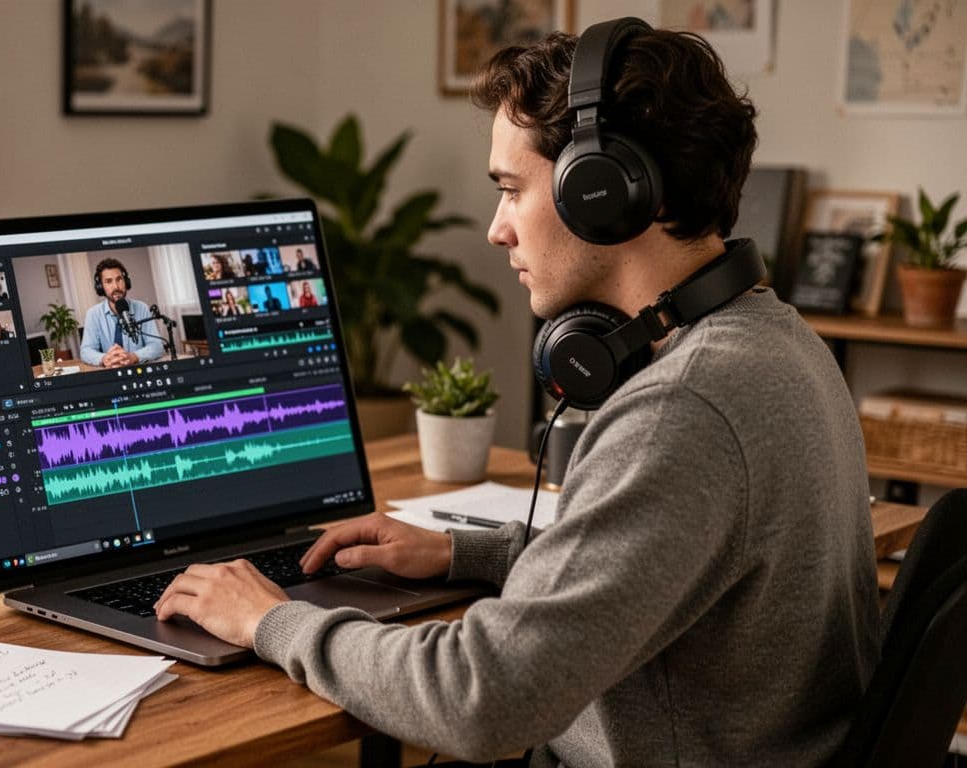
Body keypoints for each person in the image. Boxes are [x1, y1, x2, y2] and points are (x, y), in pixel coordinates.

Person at [153, 19, 877, 767]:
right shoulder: (777, 341)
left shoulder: (681, 410)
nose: (497, 229)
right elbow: (673, 560)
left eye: (511, 189)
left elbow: (481, 699)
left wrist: (270, 621)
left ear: (602, 192)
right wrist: (465, 552)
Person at [79, 257, 165, 368]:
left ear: (126, 282)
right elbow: (86, 351)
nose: (116, 286)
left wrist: (134, 357)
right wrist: (105, 359)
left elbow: (157, 346)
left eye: (119, 279)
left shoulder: (141, 308)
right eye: (108, 281)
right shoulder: (93, 314)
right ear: (100, 287)